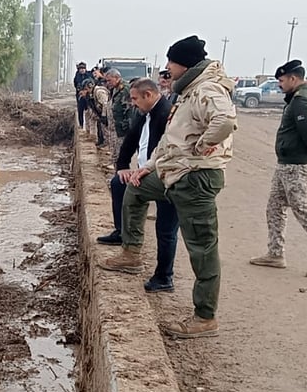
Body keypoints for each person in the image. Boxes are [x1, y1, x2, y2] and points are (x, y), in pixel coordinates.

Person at [100, 35, 237, 339]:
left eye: (170, 62)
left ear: (183, 63)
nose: (167, 68)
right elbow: (169, 140)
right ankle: (131, 254)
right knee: (135, 189)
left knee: (202, 247)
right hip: (172, 172)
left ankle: (205, 317)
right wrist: (147, 167)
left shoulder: (207, 89)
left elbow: (225, 121)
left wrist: (202, 146)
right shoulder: (188, 92)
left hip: (196, 177)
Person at [249, 59, 307, 279]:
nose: (279, 84)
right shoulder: (304, 98)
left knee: (304, 211)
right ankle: (275, 253)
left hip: (296, 166)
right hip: (286, 164)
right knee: (274, 208)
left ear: (293, 78)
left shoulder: (301, 101)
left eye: (282, 80)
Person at [96, 78, 180, 293]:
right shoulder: (145, 113)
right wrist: (123, 166)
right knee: (119, 183)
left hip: (168, 175)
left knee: (166, 227)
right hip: (146, 172)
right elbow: (131, 139)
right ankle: (123, 235)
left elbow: (169, 152)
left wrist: (149, 171)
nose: (132, 103)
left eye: (135, 99)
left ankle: (164, 276)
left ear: (148, 95)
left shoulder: (167, 115)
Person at [103, 69, 134, 142]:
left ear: (117, 78)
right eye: (106, 81)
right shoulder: (114, 89)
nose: (108, 83)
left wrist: (126, 125)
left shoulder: (125, 90)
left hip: (124, 129)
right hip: (117, 127)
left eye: (109, 80)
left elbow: (130, 110)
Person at [74, 62, 92, 130]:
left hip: (88, 96)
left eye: (83, 68)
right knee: (80, 110)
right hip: (80, 96)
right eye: (80, 68)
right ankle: (81, 125)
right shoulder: (77, 76)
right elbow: (76, 84)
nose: (82, 70)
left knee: (88, 110)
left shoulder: (89, 75)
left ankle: (88, 126)